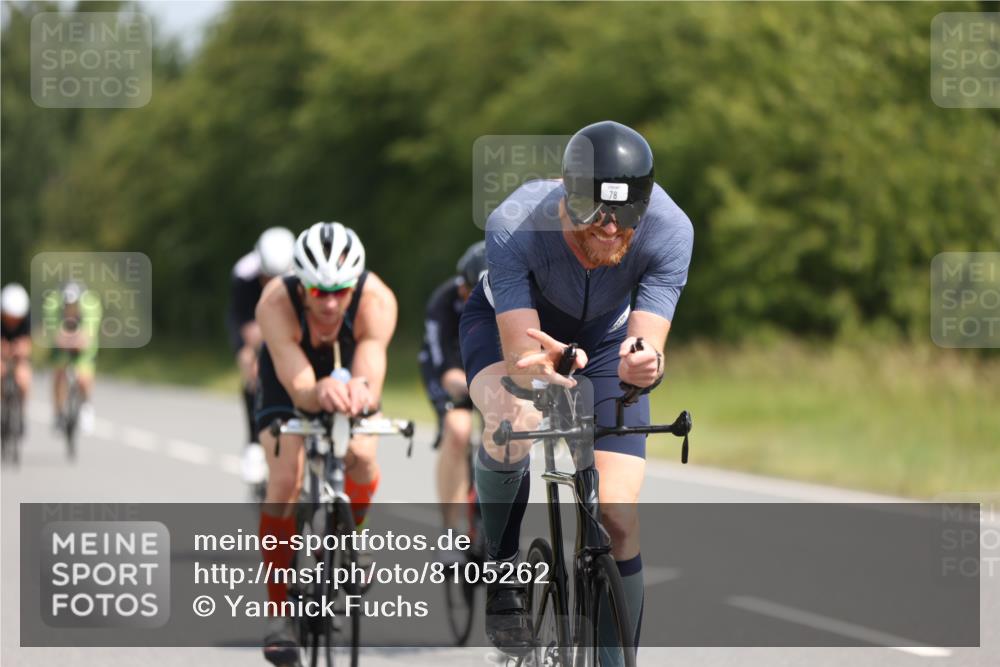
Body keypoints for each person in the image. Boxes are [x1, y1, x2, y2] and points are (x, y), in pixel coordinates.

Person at [459, 121, 694, 655]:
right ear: (567, 197)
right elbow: (523, 360)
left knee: (617, 514)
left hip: (606, 339)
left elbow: (647, 348)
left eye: (626, 215)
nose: (610, 229)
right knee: (512, 419)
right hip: (518, 327)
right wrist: (548, 365)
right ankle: (501, 563)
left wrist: (644, 367)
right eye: (594, 213)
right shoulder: (515, 224)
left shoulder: (670, 229)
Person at [254, 221, 398, 665]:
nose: (331, 303)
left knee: (361, 455)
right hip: (289, 374)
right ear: (300, 287)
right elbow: (299, 387)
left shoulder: (377, 300)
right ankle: (280, 612)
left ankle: (352, 538)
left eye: (341, 290)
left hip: (349, 367)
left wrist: (362, 393)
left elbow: (371, 363)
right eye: (319, 292)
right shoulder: (274, 302)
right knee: (284, 478)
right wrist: (316, 394)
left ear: (355, 284)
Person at [417, 241, 486, 561]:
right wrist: (477, 388)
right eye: (470, 292)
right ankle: (450, 530)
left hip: (487, 370)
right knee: (457, 431)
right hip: (450, 371)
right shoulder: (444, 302)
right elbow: (446, 371)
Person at [227, 226, 297, 490]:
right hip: (253, 320)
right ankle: (254, 443)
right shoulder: (244, 274)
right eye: (267, 277)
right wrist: (248, 354)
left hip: (290, 321)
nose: (272, 283)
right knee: (253, 368)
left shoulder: (302, 274)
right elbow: (242, 322)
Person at [43, 281, 102, 434]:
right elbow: (53, 332)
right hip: (61, 344)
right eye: (67, 305)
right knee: (59, 373)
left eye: (73, 305)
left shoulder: (91, 306)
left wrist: (78, 342)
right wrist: (62, 340)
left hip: (83, 345)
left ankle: (86, 407)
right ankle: (58, 413)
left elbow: (88, 335)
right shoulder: (52, 305)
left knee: (84, 376)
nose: (70, 309)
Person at [1, 283, 33, 407]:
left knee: (23, 377)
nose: (12, 321)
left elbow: (28, 343)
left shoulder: (27, 320)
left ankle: (21, 409)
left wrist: (22, 350)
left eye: (16, 318)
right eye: (8, 317)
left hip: (18, 355)